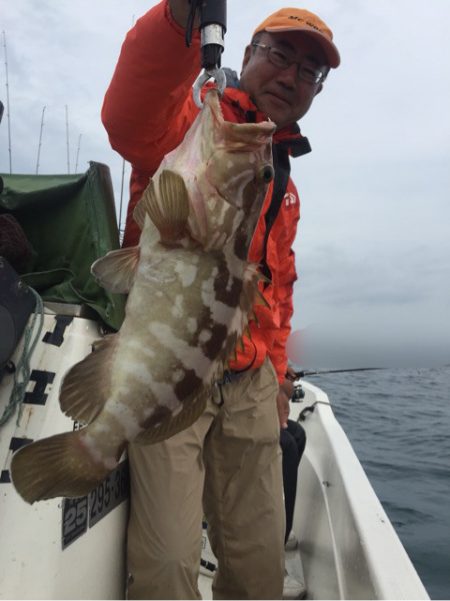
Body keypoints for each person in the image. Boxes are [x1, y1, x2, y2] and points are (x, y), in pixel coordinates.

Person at [102, 2, 340, 598]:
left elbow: (277, 290)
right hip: (172, 365)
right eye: (280, 56)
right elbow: (130, 119)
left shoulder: (279, 179)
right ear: (247, 55)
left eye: (309, 71)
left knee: (260, 561)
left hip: (250, 378)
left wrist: (279, 377)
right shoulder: (192, 123)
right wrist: (182, 21)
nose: (291, 76)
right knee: (169, 565)